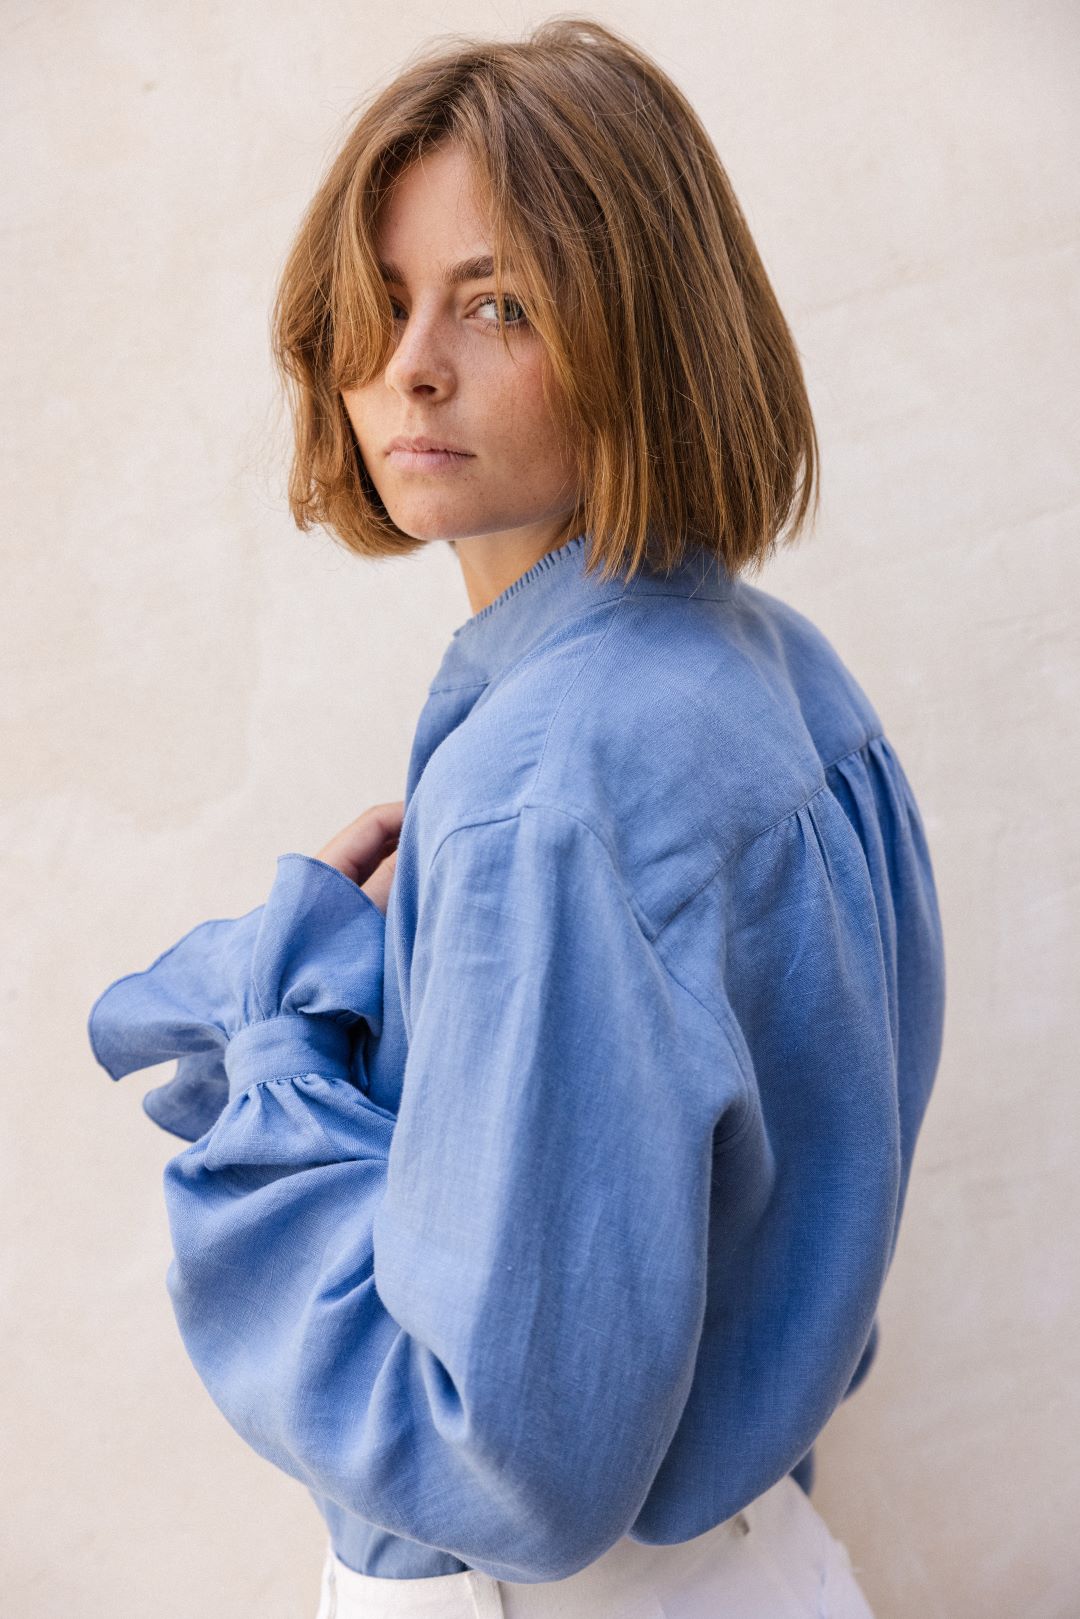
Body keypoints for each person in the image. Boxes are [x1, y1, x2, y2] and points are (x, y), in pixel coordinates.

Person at [87, 17, 946, 1618]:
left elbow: (504, 1456)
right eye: (382, 302)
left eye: (497, 305)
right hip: (763, 1568)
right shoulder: (780, 673)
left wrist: (284, 1062)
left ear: (642, 331)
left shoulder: (542, 791)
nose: (411, 363)